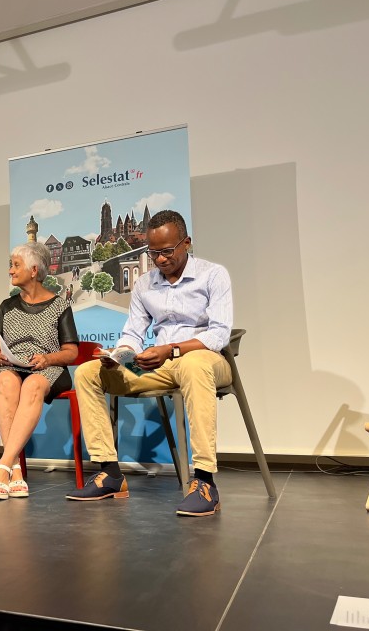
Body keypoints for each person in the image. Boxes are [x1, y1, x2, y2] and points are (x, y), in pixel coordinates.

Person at [66, 210, 233, 516]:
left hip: (207, 360)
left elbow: (219, 334)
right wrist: (120, 355)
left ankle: (205, 481)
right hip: (161, 365)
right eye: (153, 253)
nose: (160, 259)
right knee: (89, 372)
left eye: (167, 251)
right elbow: (133, 333)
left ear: (186, 243)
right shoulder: (145, 284)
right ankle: (110, 473)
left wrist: (171, 350)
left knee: (194, 365)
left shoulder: (213, 275)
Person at [0, 242, 79, 500]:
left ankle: (3, 466)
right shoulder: (7, 306)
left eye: (16, 265)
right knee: (7, 381)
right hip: (12, 367)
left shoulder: (60, 306)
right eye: (11, 265)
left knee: (33, 384)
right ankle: (15, 470)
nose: (11, 271)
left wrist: (47, 359)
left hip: (48, 368)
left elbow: (71, 352)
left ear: (34, 270)